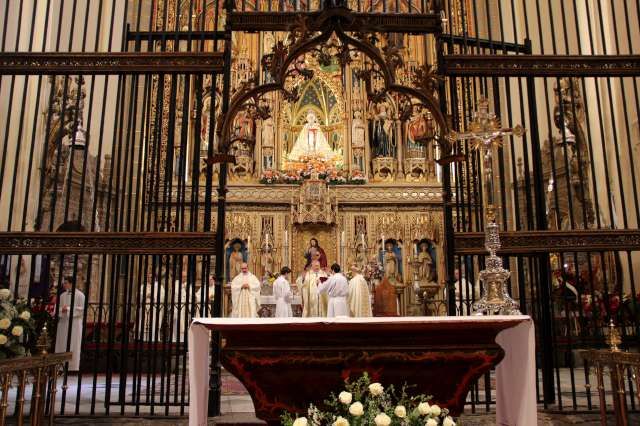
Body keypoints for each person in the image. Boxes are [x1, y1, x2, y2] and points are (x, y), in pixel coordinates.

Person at [55, 276, 85, 371]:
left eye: (66, 283)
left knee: (73, 343)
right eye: (64, 283)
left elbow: (82, 309)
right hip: (63, 322)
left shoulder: (80, 295)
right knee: (62, 343)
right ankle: (60, 366)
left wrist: (67, 309)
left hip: (75, 323)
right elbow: (57, 308)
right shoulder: (62, 295)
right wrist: (62, 310)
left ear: (71, 283)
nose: (64, 285)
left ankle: (72, 367)